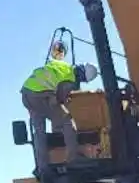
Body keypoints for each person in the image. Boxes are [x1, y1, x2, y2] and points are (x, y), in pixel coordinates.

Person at [20, 41, 95, 173]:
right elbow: (59, 99)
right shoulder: (71, 79)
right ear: (83, 77)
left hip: (27, 93)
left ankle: (42, 167)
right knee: (67, 121)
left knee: (39, 132)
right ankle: (74, 158)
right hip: (41, 95)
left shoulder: (61, 65)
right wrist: (65, 100)